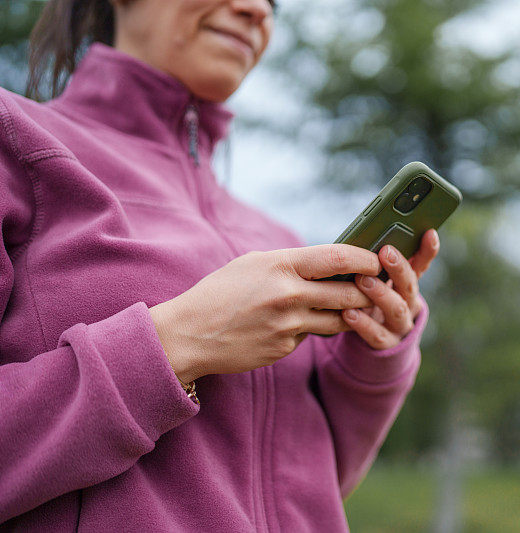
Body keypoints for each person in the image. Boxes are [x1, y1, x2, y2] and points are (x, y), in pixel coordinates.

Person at [0, 0, 439, 530]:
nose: (257, 10)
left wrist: (374, 359)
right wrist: (181, 341)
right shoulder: (16, 141)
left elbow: (317, 485)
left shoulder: (275, 237)